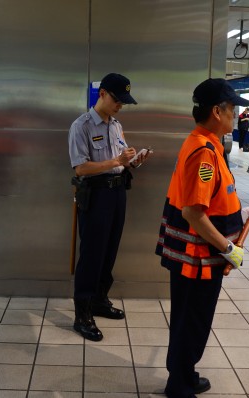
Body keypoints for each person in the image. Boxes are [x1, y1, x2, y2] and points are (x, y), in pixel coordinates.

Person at [155, 78, 249, 398]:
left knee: (191, 318)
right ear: (217, 111)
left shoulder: (210, 143)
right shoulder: (203, 150)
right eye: (233, 110)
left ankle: (184, 373)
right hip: (196, 259)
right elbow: (193, 213)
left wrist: (239, 215)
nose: (236, 116)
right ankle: (180, 385)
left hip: (201, 256)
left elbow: (214, 198)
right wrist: (228, 246)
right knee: (193, 321)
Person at [68, 73, 149, 341]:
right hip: (96, 195)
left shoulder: (116, 125)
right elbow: (81, 167)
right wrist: (115, 159)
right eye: (117, 99)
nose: (120, 105)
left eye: (124, 102)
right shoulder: (81, 126)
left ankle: (100, 300)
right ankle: (82, 313)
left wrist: (132, 161)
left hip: (118, 194)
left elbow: (121, 162)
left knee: (110, 250)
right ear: (102, 94)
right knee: (92, 254)